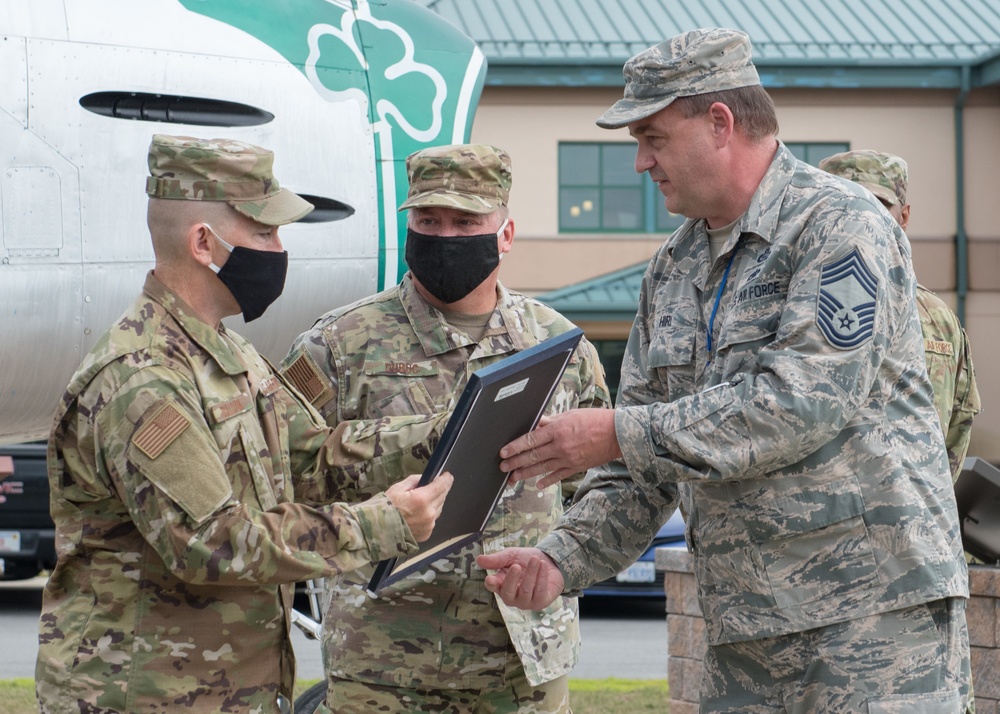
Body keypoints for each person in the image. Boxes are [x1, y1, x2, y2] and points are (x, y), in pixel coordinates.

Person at [477, 28, 972, 713]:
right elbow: (638, 469)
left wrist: (620, 432)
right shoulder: (672, 269)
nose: (640, 163)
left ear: (719, 122)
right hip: (746, 630)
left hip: (871, 620)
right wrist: (560, 558)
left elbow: (804, 400)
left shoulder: (840, 225)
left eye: (651, 137)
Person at [35, 134, 454, 714]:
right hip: (144, 696)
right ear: (203, 242)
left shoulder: (230, 355)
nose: (279, 248)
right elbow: (213, 543)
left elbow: (314, 458)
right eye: (264, 233)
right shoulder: (144, 378)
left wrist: (444, 433)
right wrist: (381, 525)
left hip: (227, 692)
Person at [281, 144, 610, 713]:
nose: (446, 238)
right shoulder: (337, 344)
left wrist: (562, 559)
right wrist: (424, 439)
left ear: (504, 234)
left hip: (523, 658)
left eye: (465, 221)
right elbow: (287, 474)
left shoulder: (560, 347)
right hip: (382, 661)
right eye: (429, 221)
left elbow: (602, 483)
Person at [819, 149, 981, 481]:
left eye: (876, 205)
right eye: (844, 204)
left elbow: (957, 426)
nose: (859, 217)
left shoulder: (937, 318)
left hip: (914, 519)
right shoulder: (795, 308)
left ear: (903, 216)